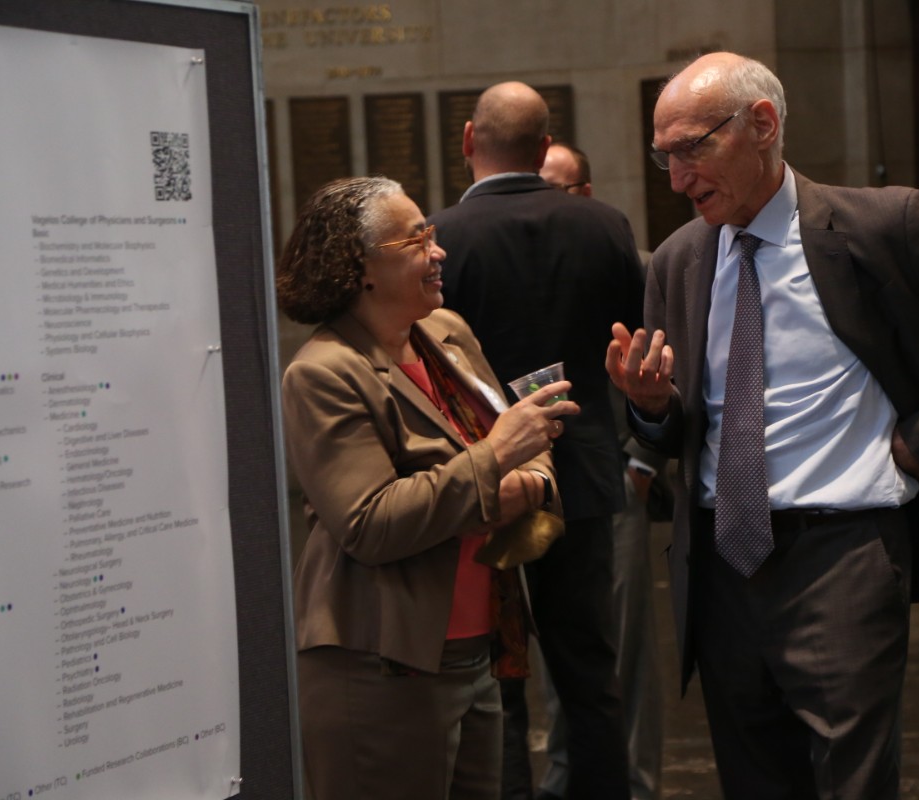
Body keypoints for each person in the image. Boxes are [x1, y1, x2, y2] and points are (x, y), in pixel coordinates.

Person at [605, 52, 919, 799]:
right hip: (722, 563)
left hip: (844, 553)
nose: (678, 180)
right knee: (754, 778)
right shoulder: (677, 262)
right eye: (664, 156)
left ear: (762, 124)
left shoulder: (883, 227)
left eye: (694, 149)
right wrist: (650, 408)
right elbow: (672, 434)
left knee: (850, 779)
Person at [278, 176, 581, 800]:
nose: (437, 251)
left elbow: (536, 453)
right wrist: (498, 461)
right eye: (417, 239)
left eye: (433, 235)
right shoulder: (323, 373)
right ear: (361, 268)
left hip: (478, 647)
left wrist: (509, 468)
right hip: (382, 662)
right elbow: (372, 524)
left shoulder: (447, 334)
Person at [428, 83, 646, 800]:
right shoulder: (606, 227)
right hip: (577, 475)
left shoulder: (438, 241)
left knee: (496, 673)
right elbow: (632, 347)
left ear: (467, 140)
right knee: (589, 673)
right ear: (545, 147)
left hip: (477, 481)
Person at [538, 142, 665, 800]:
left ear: (585, 194)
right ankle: (567, 780)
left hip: (615, 483)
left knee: (623, 647)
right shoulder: (522, 269)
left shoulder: (630, 265)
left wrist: (641, 465)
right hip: (537, 490)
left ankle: (636, 785)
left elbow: (666, 373)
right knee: (562, 651)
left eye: (558, 189)